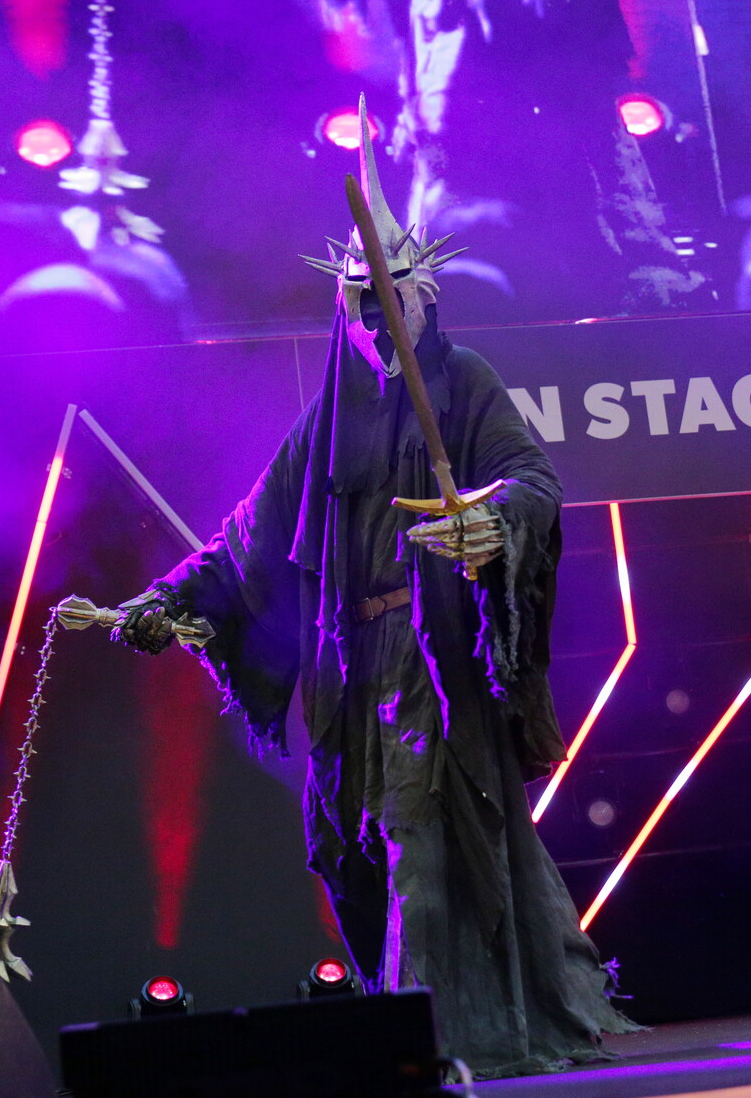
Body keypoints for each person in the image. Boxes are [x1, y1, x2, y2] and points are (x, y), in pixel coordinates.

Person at [102, 104, 634, 1076]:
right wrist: (162, 602)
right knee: (356, 855)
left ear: (428, 298)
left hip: (432, 666)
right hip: (350, 677)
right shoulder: (325, 423)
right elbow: (243, 543)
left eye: (398, 299)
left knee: (420, 842)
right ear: (343, 308)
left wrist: (492, 521)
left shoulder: (465, 382)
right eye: (364, 302)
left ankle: (447, 1047)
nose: (383, 319)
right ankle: (421, 1030)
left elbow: (533, 481)